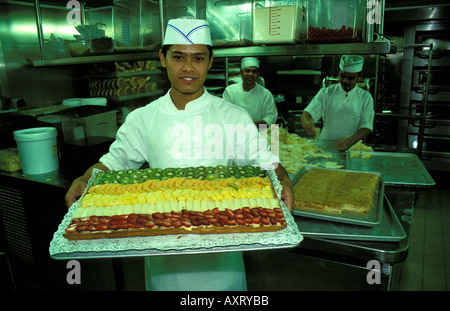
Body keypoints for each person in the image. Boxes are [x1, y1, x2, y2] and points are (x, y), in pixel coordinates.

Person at [64, 17, 293, 291]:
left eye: (198, 58)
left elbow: (268, 164)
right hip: (163, 268)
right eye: (178, 57)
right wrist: (84, 179)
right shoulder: (143, 118)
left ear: (210, 62)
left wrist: (285, 180)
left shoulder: (233, 116)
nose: (188, 68)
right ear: (163, 58)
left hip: (222, 266)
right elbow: (111, 164)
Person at [300, 55, 374, 151]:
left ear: (359, 76)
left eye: (351, 78)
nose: (345, 81)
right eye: (342, 76)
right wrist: (306, 123)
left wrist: (350, 141)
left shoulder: (365, 97)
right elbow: (307, 114)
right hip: (324, 145)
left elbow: (366, 126)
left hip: (351, 147)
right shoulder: (326, 92)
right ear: (338, 72)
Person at [223, 57, 278, 128]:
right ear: (241, 73)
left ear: (258, 74)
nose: (250, 74)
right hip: (236, 132)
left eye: (254, 71)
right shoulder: (230, 91)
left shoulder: (265, 94)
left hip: (259, 134)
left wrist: (250, 124)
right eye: (247, 71)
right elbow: (226, 114)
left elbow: (271, 118)